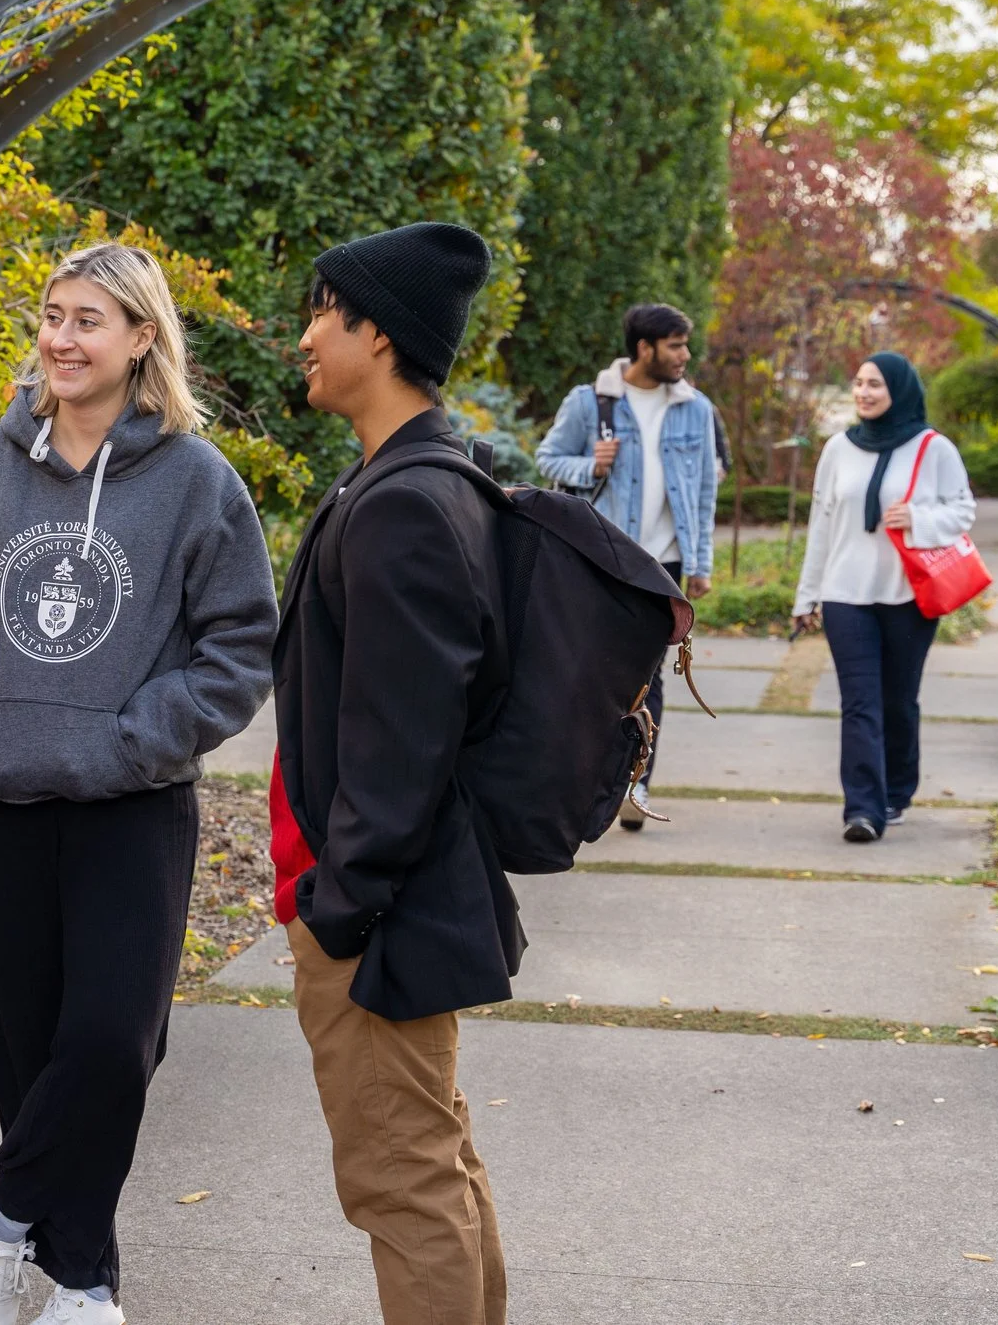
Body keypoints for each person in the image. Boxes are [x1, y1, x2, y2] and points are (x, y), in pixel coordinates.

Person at [0, 243, 277, 1325]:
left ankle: (5, 1202)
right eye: (52, 316)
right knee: (28, 1044)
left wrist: (131, 741)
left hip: (131, 797)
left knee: (116, 1037)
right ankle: (81, 1280)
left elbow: (238, 645)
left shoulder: (197, 479)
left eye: (88, 320)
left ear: (143, 339)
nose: (60, 338)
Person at [272, 221, 513, 1325]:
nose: (307, 334)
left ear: (377, 332)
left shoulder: (407, 500)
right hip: (389, 897)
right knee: (433, 1162)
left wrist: (344, 901)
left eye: (325, 311)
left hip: (376, 909)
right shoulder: (414, 479)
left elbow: (402, 734)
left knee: (402, 1178)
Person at [535, 302, 721, 828]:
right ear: (645, 348)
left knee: (649, 677)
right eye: (675, 345)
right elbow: (547, 458)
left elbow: (704, 491)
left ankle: (633, 783)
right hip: (600, 560)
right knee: (587, 672)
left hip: (663, 565)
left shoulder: (695, 409)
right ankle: (583, 781)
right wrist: (588, 463)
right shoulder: (590, 403)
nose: (685, 355)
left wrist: (701, 563)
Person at [790, 351, 977, 844]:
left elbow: (963, 511)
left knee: (898, 701)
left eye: (876, 384)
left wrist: (919, 519)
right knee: (859, 702)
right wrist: (807, 596)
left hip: (908, 597)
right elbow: (822, 524)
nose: (864, 393)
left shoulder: (933, 448)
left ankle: (896, 789)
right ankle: (863, 809)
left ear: (899, 390)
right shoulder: (837, 449)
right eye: (858, 383)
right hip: (846, 594)